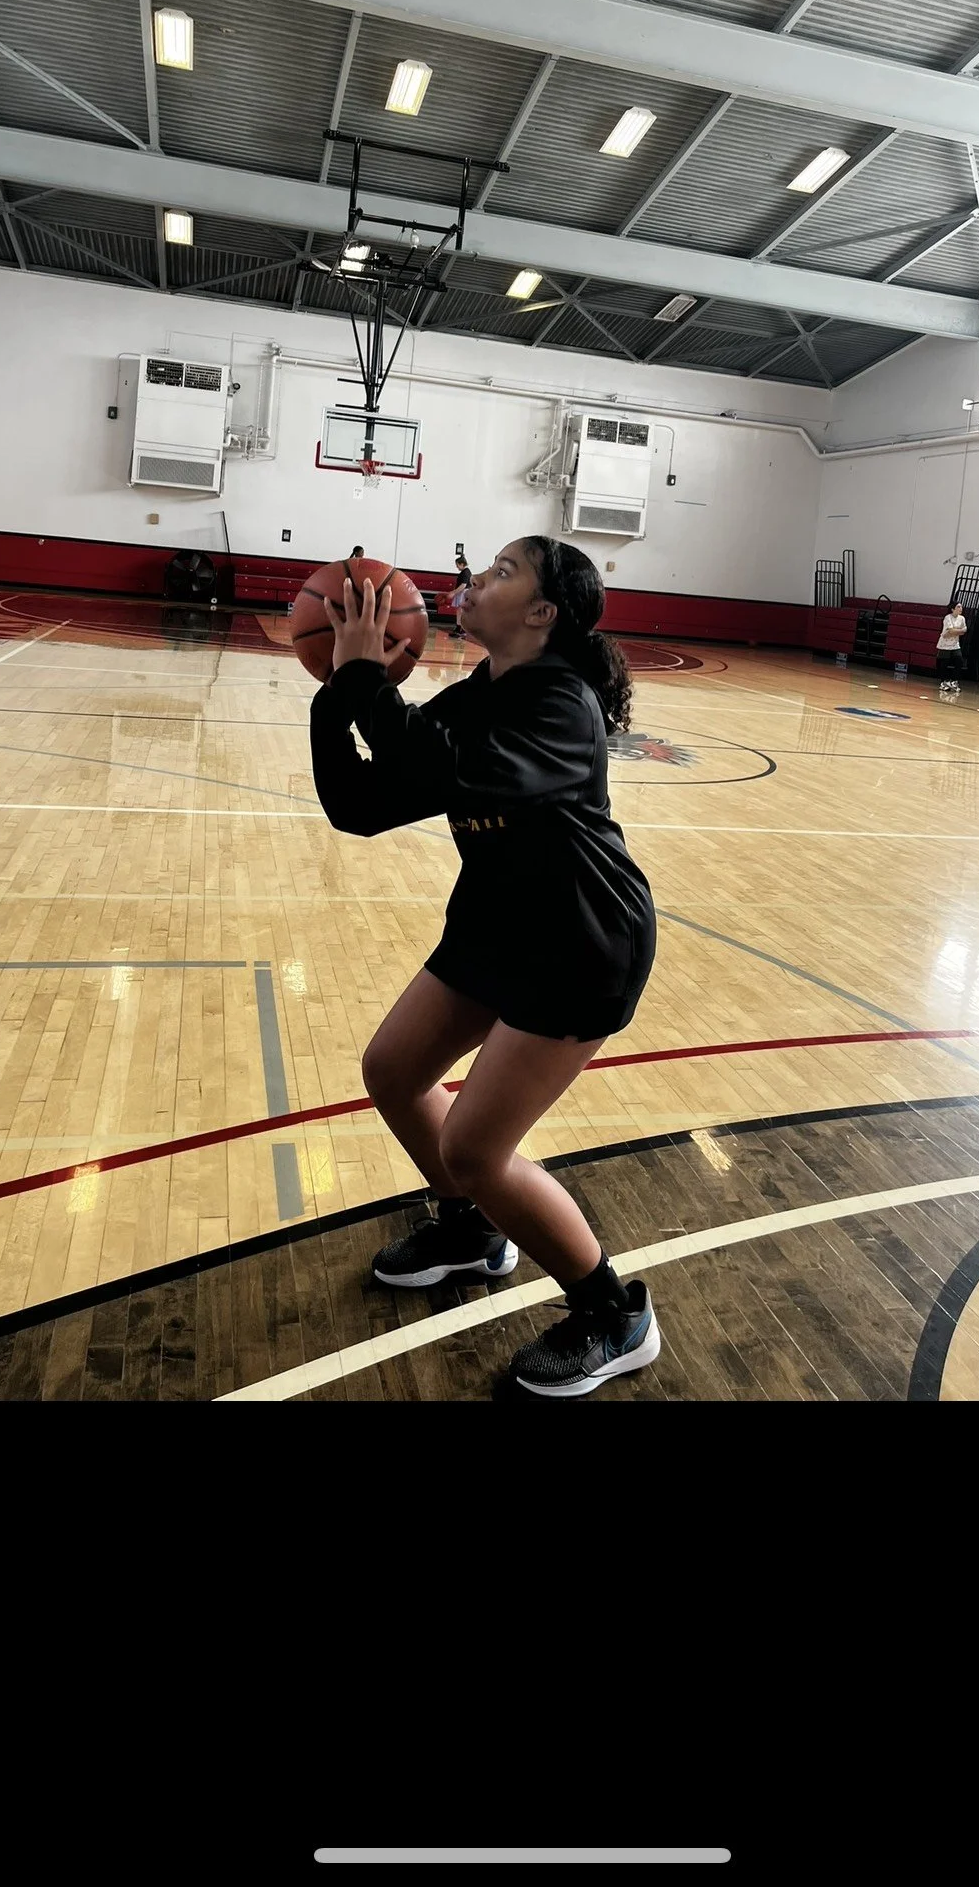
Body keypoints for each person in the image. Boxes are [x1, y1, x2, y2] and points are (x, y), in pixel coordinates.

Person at [308, 535, 660, 1399]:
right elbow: (362, 805)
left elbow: (460, 775)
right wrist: (333, 698)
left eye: (505, 571)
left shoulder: (562, 706)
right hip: (499, 926)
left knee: (473, 1146)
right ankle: (467, 1234)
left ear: (543, 613)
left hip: (580, 943)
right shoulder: (478, 695)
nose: (476, 578)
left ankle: (611, 1314)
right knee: (393, 1071)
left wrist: (363, 683)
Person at [936, 600, 967, 701]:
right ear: (953, 609)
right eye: (958, 607)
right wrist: (956, 631)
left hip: (955, 644)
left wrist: (955, 631)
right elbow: (950, 630)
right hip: (945, 644)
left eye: (961, 607)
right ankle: (943, 682)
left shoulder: (962, 618)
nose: (960, 609)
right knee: (944, 663)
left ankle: (954, 681)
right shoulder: (948, 618)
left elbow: (964, 630)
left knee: (959, 661)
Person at [449, 560, 473, 639]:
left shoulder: (466, 572)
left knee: (461, 611)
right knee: (459, 611)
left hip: (463, 593)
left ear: (462, 564)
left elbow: (463, 585)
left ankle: (462, 630)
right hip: (462, 593)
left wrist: (454, 592)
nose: (457, 567)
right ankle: (458, 628)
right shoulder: (465, 572)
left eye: (457, 565)